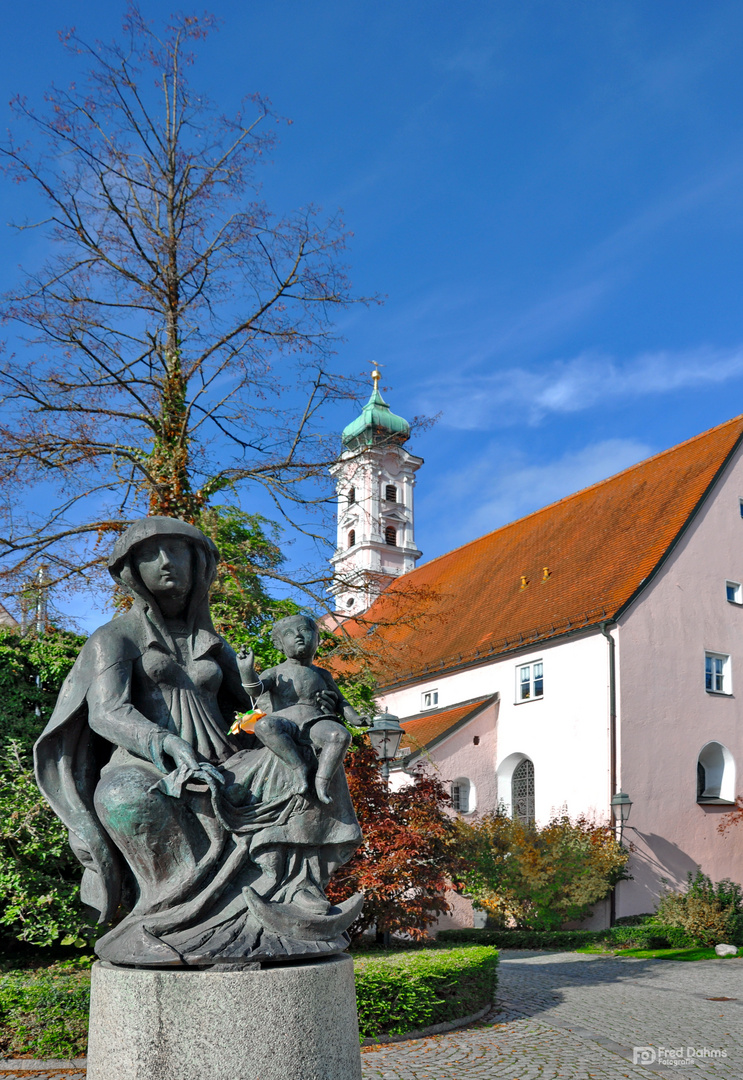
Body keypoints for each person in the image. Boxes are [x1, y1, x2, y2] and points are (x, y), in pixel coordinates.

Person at [34, 517, 362, 967]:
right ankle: (167, 917)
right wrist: (165, 743)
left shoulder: (213, 645)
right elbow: (106, 712)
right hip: (146, 762)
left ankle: (292, 889)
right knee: (124, 796)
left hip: (225, 760)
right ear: (132, 569)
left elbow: (247, 709)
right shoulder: (115, 638)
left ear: (198, 564)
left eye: (178, 551)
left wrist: (304, 707)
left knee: (303, 755)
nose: (167, 562)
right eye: (152, 554)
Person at [232, 615, 357, 806]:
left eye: (305, 631)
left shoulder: (322, 674)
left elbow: (341, 701)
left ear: (317, 639)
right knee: (264, 725)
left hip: (315, 722)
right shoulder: (276, 672)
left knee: (340, 735)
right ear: (279, 645)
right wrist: (246, 671)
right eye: (290, 634)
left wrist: (355, 718)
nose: (298, 636)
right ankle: (298, 769)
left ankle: (322, 782)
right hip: (285, 722)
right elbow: (255, 690)